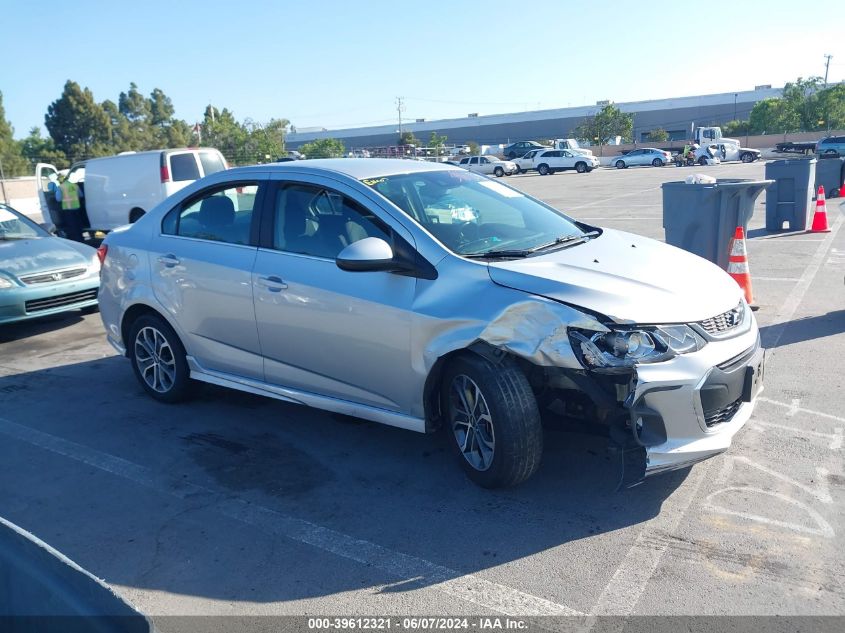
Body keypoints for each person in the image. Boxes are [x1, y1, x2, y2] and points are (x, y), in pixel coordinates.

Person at [56, 175, 85, 242]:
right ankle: (81, 238)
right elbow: (81, 195)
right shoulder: (75, 186)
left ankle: (76, 241)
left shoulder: (60, 187)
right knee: (78, 225)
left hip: (68, 210)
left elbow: (58, 199)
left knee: (72, 226)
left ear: (60, 180)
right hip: (77, 208)